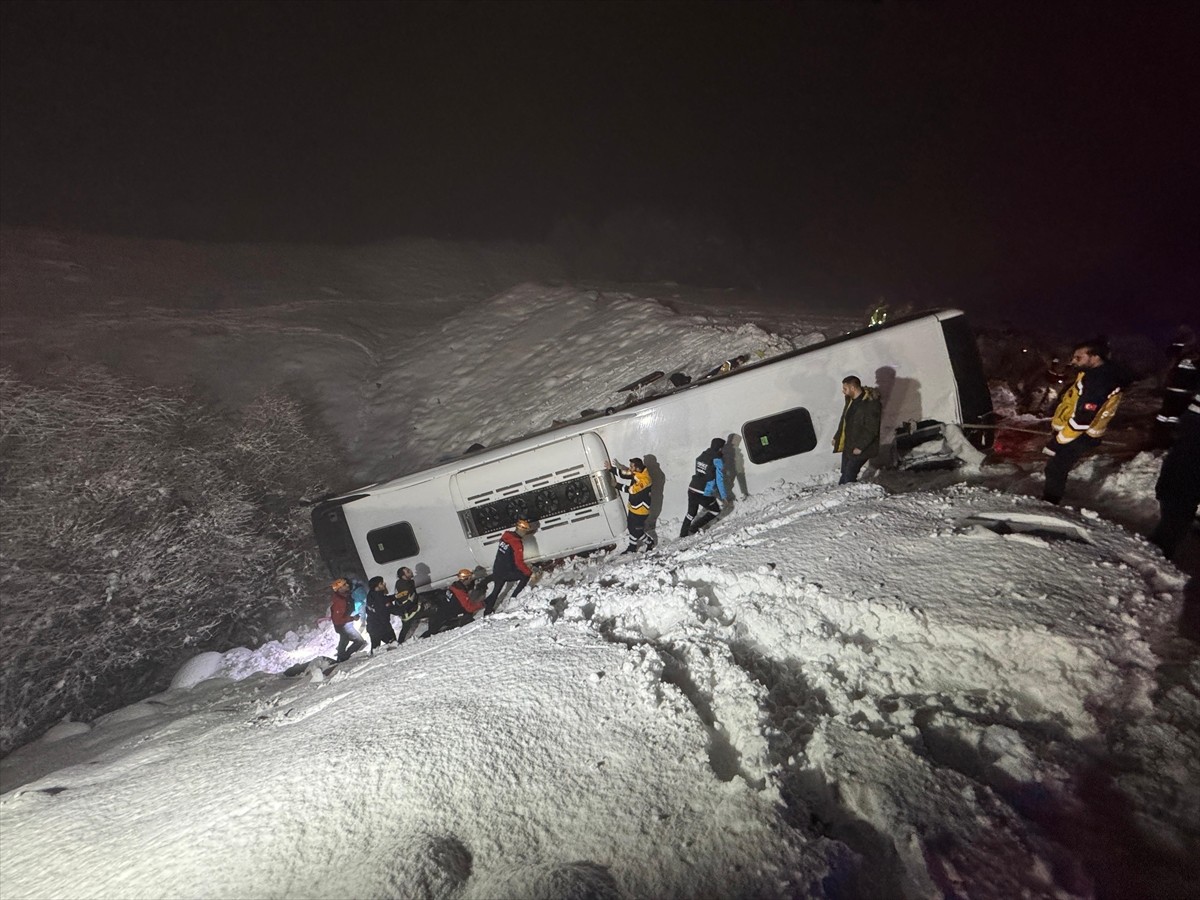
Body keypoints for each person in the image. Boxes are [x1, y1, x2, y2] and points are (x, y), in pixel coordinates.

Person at [1042, 338, 1131, 504]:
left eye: (1079, 357)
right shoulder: (1094, 373)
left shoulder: (1100, 381)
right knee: (1055, 468)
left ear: (1095, 357)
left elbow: (1083, 419)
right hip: (1075, 431)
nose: (1073, 361)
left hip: (1081, 434)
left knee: (1056, 468)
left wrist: (1058, 442)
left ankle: (1049, 505)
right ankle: (1050, 501)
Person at [1150, 389, 1200, 560]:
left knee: (1176, 514)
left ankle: (1160, 552)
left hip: (1184, 474)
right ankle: (1158, 551)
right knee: (1174, 514)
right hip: (1183, 473)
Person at [832, 375, 882, 484]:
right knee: (845, 472)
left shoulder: (871, 404)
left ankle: (848, 495)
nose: (843, 391)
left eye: (845, 389)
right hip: (849, 445)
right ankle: (842, 493)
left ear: (853, 388)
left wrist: (860, 446)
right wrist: (837, 437)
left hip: (861, 447)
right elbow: (844, 421)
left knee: (849, 474)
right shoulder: (850, 401)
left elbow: (872, 429)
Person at [483, 518, 537, 615]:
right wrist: (528, 571)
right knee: (525, 576)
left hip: (497, 568)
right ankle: (514, 599)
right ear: (521, 530)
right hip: (507, 571)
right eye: (525, 531)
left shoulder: (506, 536)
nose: (525, 534)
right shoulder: (517, 543)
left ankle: (487, 610)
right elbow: (519, 562)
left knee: (496, 590)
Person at [680, 438, 727, 537]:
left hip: (692, 487)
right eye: (722, 448)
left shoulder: (702, 455)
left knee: (690, 513)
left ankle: (683, 534)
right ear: (719, 448)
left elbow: (699, 472)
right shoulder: (717, 460)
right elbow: (719, 480)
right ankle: (694, 527)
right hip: (703, 492)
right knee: (715, 510)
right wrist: (723, 496)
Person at [612, 457, 655, 553]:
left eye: (631, 466)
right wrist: (611, 469)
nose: (629, 468)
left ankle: (641, 544)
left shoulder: (645, 480)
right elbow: (625, 473)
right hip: (633, 508)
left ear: (637, 468)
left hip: (641, 511)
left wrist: (616, 485)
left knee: (636, 530)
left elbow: (631, 490)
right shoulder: (637, 473)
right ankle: (636, 546)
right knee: (632, 528)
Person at [425, 568, 485, 636]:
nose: (471, 580)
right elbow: (469, 608)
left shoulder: (454, 587)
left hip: (440, 613)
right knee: (468, 618)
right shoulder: (460, 592)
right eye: (470, 578)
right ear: (466, 579)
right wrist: (482, 604)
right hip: (447, 617)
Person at [329, 578, 366, 662]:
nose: (347, 585)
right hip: (343, 625)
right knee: (359, 641)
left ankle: (341, 657)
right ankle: (344, 658)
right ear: (339, 589)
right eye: (344, 585)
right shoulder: (339, 601)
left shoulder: (344, 597)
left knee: (344, 640)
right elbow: (338, 619)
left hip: (344, 624)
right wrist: (352, 618)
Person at [393, 566, 428, 643]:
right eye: (408, 571)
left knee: (406, 627)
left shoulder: (409, 582)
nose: (411, 572)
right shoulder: (402, 585)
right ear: (403, 576)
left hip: (412, 609)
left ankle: (400, 642)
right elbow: (406, 601)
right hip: (408, 611)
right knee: (406, 626)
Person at [363, 576, 398, 654]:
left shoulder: (372, 595)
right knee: (394, 645)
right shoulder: (379, 598)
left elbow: (384, 599)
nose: (384, 585)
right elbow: (386, 609)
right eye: (381, 583)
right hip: (382, 628)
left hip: (373, 627)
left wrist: (394, 597)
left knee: (376, 649)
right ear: (377, 586)